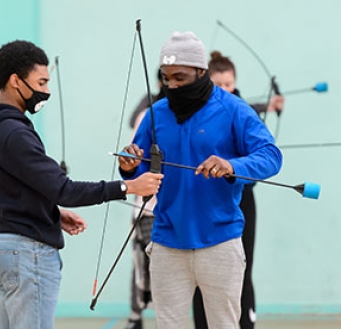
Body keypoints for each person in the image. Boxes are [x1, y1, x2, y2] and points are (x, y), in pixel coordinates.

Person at [0, 40, 163, 329]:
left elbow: (14, 189)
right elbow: (65, 189)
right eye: (41, 82)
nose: (46, 90)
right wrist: (129, 187)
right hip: (27, 252)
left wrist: (54, 214)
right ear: (15, 81)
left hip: (6, 246)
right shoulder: (14, 132)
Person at [118, 31, 282, 329]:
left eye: (179, 77)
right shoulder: (156, 115)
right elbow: (141, 169)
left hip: (220, 242)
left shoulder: (234, 109)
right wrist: (129, 167)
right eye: (166, 78)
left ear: (200, 71)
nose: (172, 85)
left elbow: (271, 156)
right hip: (167, 242)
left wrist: (232, 165)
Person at [192, 51, 285, 329]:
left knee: (241, 268)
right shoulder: (196, 112)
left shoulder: (242, 110)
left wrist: (233, 167)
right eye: (217, 84)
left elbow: (264, 154)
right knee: (200, 271)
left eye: (229, 84)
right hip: (206, 202)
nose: (224, 91)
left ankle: (245, 323)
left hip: (240, 201)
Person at [125, 70, 165, 329]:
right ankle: (135, 316)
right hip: (149, 209)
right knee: (146, 263)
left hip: (178, 211)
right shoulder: (148, 114)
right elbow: (133, 161)